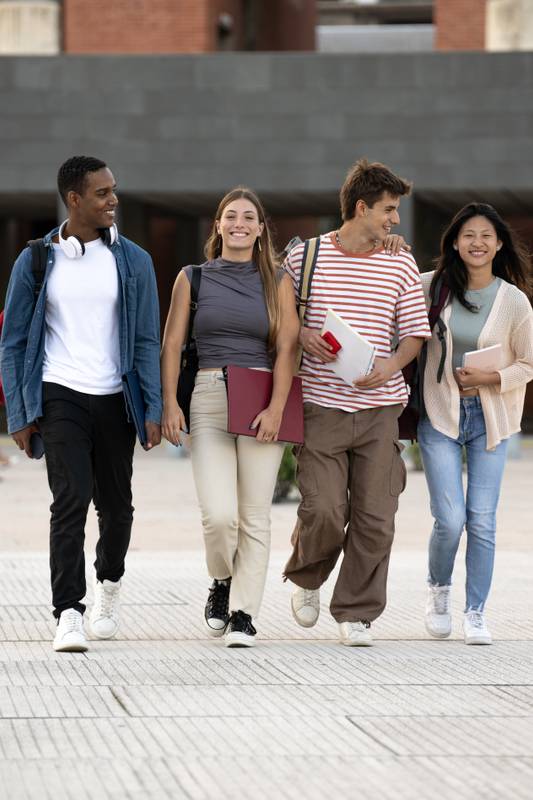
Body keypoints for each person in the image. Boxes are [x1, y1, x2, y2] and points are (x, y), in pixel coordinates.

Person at [0, 156, 162, 652]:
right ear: (74, 199)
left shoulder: (134, 260)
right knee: (69, 502)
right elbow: (13, 342)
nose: (113, 199)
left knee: (118, 509)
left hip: (116, 397)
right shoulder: (36, 259)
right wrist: (20, 414)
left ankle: (108, 585)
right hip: (59, 392)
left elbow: (145, 341)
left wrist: (153, 407)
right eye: (102, 193)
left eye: (114, 189)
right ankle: (68, 612)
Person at [283, 158, 431, 646]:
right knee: (324, 509)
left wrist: (388, 366)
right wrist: (303, 334)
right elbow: (278, 319)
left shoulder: (399, 260)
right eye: (388, 210)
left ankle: (356, 612)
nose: (394, 221)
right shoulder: (304, 258)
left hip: (380, 410)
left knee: (375, 518)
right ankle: (307, 575)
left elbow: (413, 334)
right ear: (361, 207)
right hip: (321, 405)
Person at [161, 187, 299, 647]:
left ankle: (243, 614)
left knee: (255, 515)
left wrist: (278, 407)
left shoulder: (278, 280)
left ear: (261, 229)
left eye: (249, 217)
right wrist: (169, 403)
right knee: (220, 516)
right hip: (208, 393)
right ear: (217, 225)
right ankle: (221, 580)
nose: (239, 223)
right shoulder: (192, 278)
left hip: (261, 397)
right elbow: (172, 345)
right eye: (230, 216)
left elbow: (287, 349)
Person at [419, 203, 533, 646]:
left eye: (486, 235)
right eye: (468, 235)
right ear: (454, 242)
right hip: (440, 412)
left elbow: (528, 363)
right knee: (449, 519)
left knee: (482, 520)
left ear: (499, 243)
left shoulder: (513, 301)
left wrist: (491, 378)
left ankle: (476, 611)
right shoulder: (432, 287)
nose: (477, 243)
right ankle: (438, 591)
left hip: (491, 417)